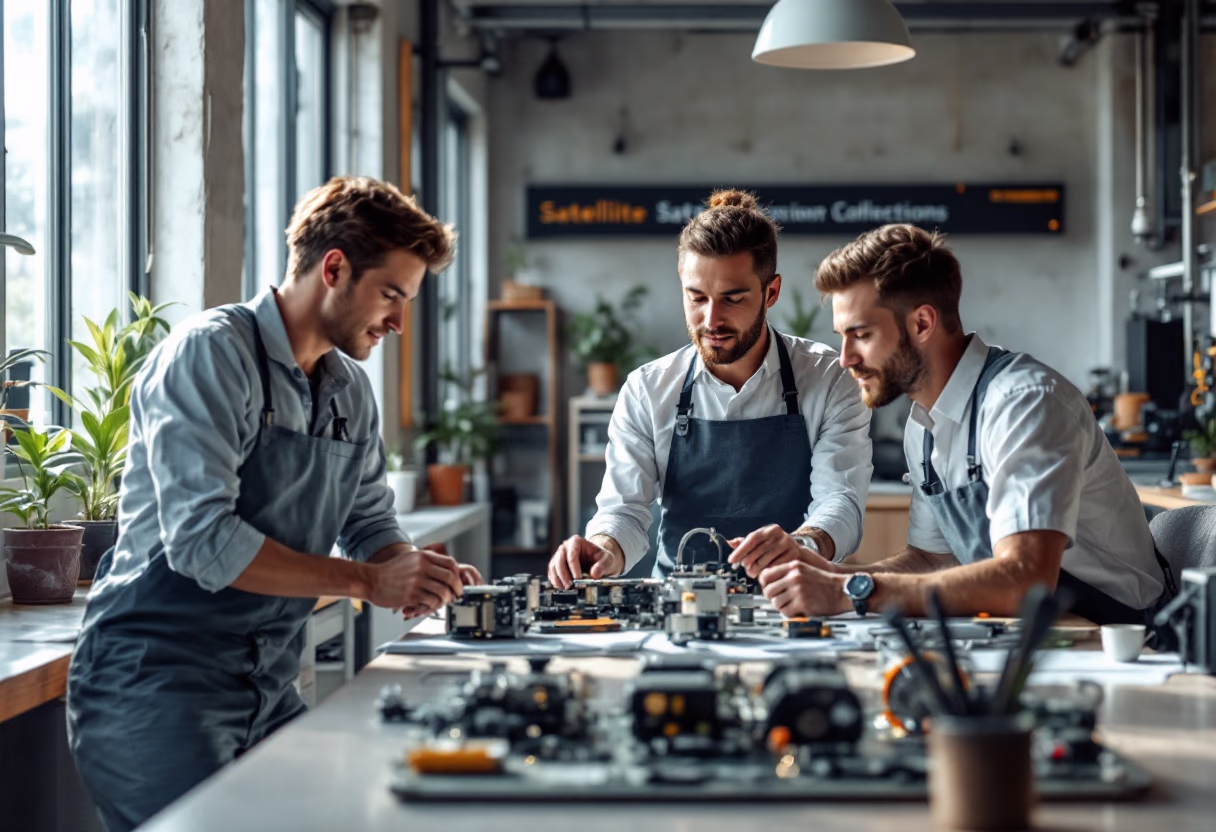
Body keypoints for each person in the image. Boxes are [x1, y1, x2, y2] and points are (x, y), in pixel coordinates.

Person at [67, 176, 482, 832]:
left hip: (268, 685)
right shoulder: (211, 355)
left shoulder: (348, 390)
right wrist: (367, 580)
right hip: (156, 685)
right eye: (392, 295)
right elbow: (204, 541)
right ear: (335, 268)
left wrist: (411, 569)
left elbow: (370, 520)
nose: (400, 323)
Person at [755, 223, 1175, 626]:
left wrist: (852, 589)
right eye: (841, 336)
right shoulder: (923, 426)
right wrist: (831, 580)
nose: (844, 357)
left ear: (922, 323)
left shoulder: (1024, 405)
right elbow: (932, 560)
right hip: (1044, 630)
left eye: (860, 334)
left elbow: (1026, 581)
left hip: (1121, 639)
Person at [547, 189, 872, 587]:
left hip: (794, 599)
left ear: (771, 292)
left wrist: (803, 546)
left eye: (732, 299)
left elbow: (840, 503)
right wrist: (604, 548)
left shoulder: (830, 377)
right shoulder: (648, 390)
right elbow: (625, 511)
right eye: (697, 298)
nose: (711, 319)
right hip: (679, 604)